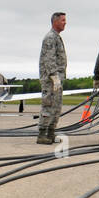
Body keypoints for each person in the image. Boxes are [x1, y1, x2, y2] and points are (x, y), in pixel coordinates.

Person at [36, 12, 67, 145]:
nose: (65, 23)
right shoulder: (50, 38)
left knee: (56, 106)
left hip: (57, 79)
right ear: (55, 22)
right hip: (50, 80)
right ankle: (42, 133)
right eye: (63, 20)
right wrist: (54, 77)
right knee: (48, 105)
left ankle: (50, 132)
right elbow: (49, 60)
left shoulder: (56, 37)